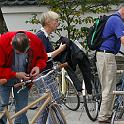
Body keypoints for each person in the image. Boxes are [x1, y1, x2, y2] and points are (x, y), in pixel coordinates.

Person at [0, 31, 47, 124]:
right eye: (17, 53)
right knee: (1, 108)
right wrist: (15, 74)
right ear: (11, 44)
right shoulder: (2, 42)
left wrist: (38, 66)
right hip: (4, 79)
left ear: (30, 43)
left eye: (24, 52)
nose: (21, 54)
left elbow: (42, 57)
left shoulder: (35, 41)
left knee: (22, 109)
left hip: (23, 80)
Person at [36, 11, 66, 123]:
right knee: (53, 101)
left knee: (47, 104)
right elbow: (44, 56)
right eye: (56, 20)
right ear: (48, 22)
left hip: (44, 72)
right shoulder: (41, 36)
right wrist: (59, 50)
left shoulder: (44, 36)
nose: (58, 23)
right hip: (43, 74)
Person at [96, 4, 124, 123]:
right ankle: (103, 118)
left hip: (104, 55)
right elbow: (123, 39)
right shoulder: (117, 20)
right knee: (109, 87)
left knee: (109, 87)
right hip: (106, 56)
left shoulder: (113, 18)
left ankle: (106, 115)